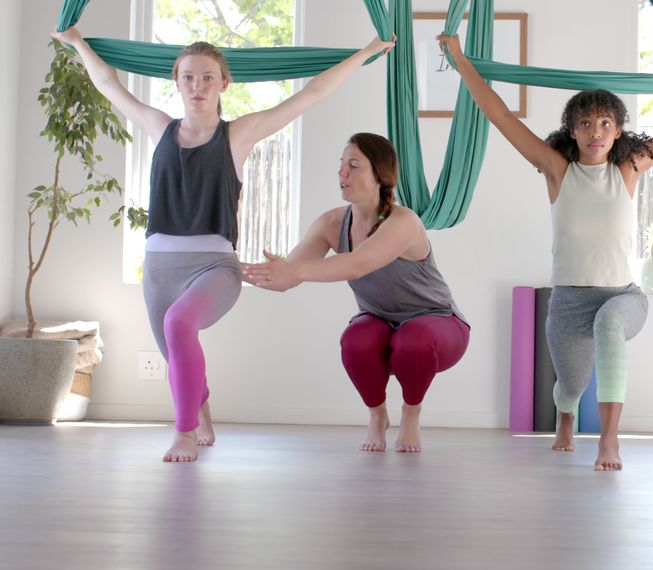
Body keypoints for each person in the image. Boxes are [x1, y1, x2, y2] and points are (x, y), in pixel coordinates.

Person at [51, 27, 395, 462]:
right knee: (176, 354)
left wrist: (367, 50)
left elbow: (311, 94)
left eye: (208, 77)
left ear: (224, 83)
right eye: (189, 77)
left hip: (215, 267)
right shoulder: (158, 127)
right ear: (176, 82)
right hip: (159, 268)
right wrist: (80, 43)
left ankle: (185, 434)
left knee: (179, 326)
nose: (198, 86)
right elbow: (107, 84)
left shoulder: (238, 135)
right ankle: (203, 411)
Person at [439, 34, 653, 471]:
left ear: (618, 131)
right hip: (569, 301)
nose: (596, 132)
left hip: (623, 296)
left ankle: (609, 441)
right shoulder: (556, 170)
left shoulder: (629, 169)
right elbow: (499, 115)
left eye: (606, 123)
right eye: (587, 124)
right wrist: (458, 59)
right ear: (572, 131)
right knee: (570, 386)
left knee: (610, 326)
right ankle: (566, 418)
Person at [241, 133, 470, 453]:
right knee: (355, 338)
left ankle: (411, 414)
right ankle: (377, 416)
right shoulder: (332, 223)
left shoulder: (403, 221)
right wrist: (229, 267)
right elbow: (286, 278)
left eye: (353, 165)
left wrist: (293, 270)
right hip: (380, 322)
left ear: (380, 174)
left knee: (413, 339)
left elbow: (358, 264)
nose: (342, 173)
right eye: (341, 165)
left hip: (439, 325)